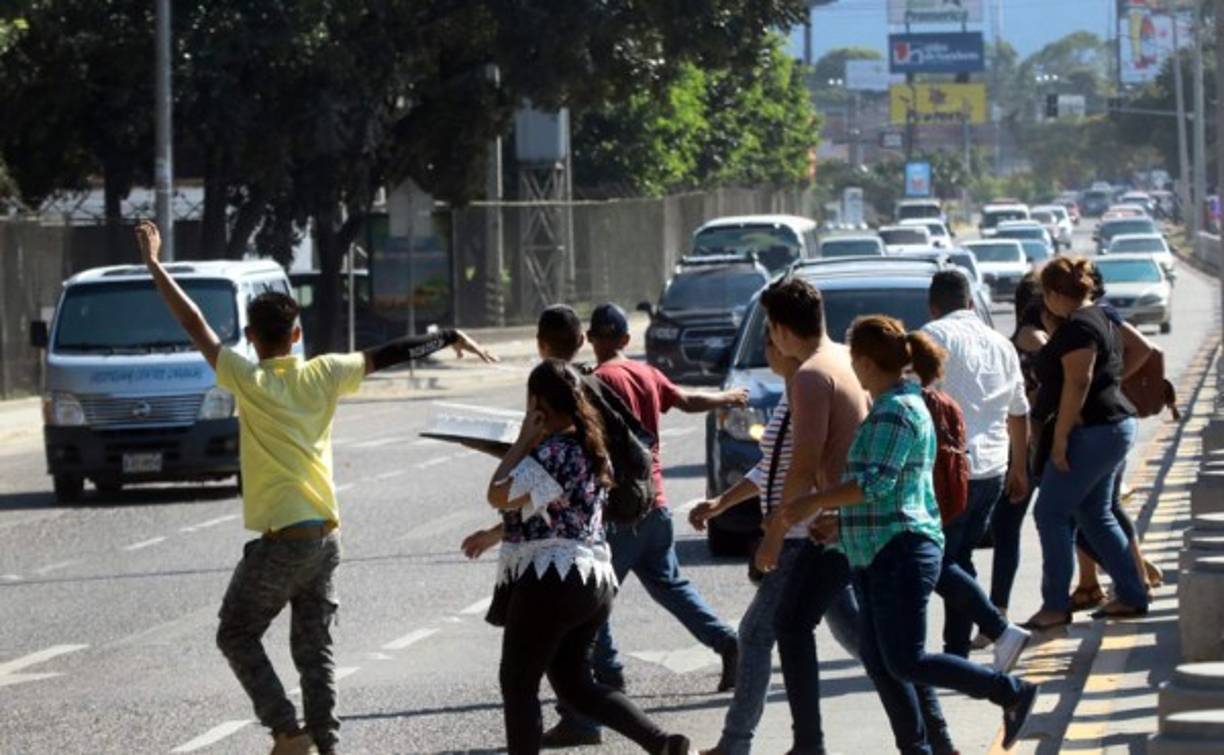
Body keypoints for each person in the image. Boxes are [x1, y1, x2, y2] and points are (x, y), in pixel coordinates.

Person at [135, 220, 496, 755]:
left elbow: (194, 323)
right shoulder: (324, 373)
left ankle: (287, 731)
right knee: (314, 652)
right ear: (297, 335)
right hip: (326, 537)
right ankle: (325, 745)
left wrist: (154, 263)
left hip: (283, 539)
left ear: (251, 338)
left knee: (235, 633)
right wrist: (446, 336)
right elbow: (390, 353)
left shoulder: (246, 377)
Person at [779, 315, 1039, 754]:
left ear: (863, 361)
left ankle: (1008, 691)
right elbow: (887, 494)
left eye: (852, 359)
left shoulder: (896, 411)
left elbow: (873, 483)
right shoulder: (890, 407)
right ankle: (916, 749)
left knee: (906, 659)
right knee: (883, 665)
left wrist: (811, 502)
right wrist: (840, 522)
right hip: (877, 551)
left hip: (899, 555)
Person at [544, 303, 746, 749]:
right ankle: (728, 642)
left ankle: (601, 683)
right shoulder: (646, 374)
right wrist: (726, 398)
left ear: (591, 339)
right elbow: (690, 401)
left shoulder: (596, 381)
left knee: (591, 598)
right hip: (655, 503)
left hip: (618, 511)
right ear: (625, 339)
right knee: (670, 584)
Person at [481, 359, 692, 755]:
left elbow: (497, 493)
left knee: (518, 683)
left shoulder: (552, 452)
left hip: (552, 578)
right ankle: (663, 744)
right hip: (592, 580)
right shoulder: (591, 448)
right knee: (576, 685)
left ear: (539, 403)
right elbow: (547, 508)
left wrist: (522, 441)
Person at [689, 332, 854, 755]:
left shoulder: (810, 387)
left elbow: (807, 464)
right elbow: (772, 466)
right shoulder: (793, 393)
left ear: (781, 342)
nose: (766, 354)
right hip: (809, 533)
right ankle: (928, 701)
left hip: (804, 536)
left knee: (756, 634)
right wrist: (722, 502)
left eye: (769, 344)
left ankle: (736, 743)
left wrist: (777, 535)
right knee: (862, 637)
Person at [749, 277, 868, 755]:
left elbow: (803, 462)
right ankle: (934, 734)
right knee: (873, 642)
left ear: (779, 329)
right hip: (843, 517)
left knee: (792, 625)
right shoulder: (842, 358)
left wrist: (775, 533)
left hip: (840, 523)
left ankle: (808, 745)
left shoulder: (811, 375)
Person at [1023, 257, 1149, 630]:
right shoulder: (1104, 315)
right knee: (1095, 513)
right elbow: (1139, 352)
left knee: (1050, 513)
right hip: (1112, 425)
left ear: (1053, 294)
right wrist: (1109, 386)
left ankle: (1055, 605)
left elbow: (1078, 382)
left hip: (1093, 431)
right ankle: (1132, 593)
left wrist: (1059, 440)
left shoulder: (1079, 325)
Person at [920, 271, 1032, 665]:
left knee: (934, 562)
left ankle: (999, 630)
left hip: (950, 472)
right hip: (993, 469)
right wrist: (1020, 467)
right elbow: (1019, 410)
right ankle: (956, 651)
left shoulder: (930, 336)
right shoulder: (1000, 342)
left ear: (933, 305)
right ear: (970, 303)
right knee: (959, 559)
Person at [984, 275, 1044, 637]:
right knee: (1082, 520)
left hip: (1028, 448)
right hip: (1047, 445)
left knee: (1006, 527)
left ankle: (997, 616)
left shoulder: (1023, 342)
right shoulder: (1056, 339)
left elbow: (1020, 406)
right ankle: (1133, 572)